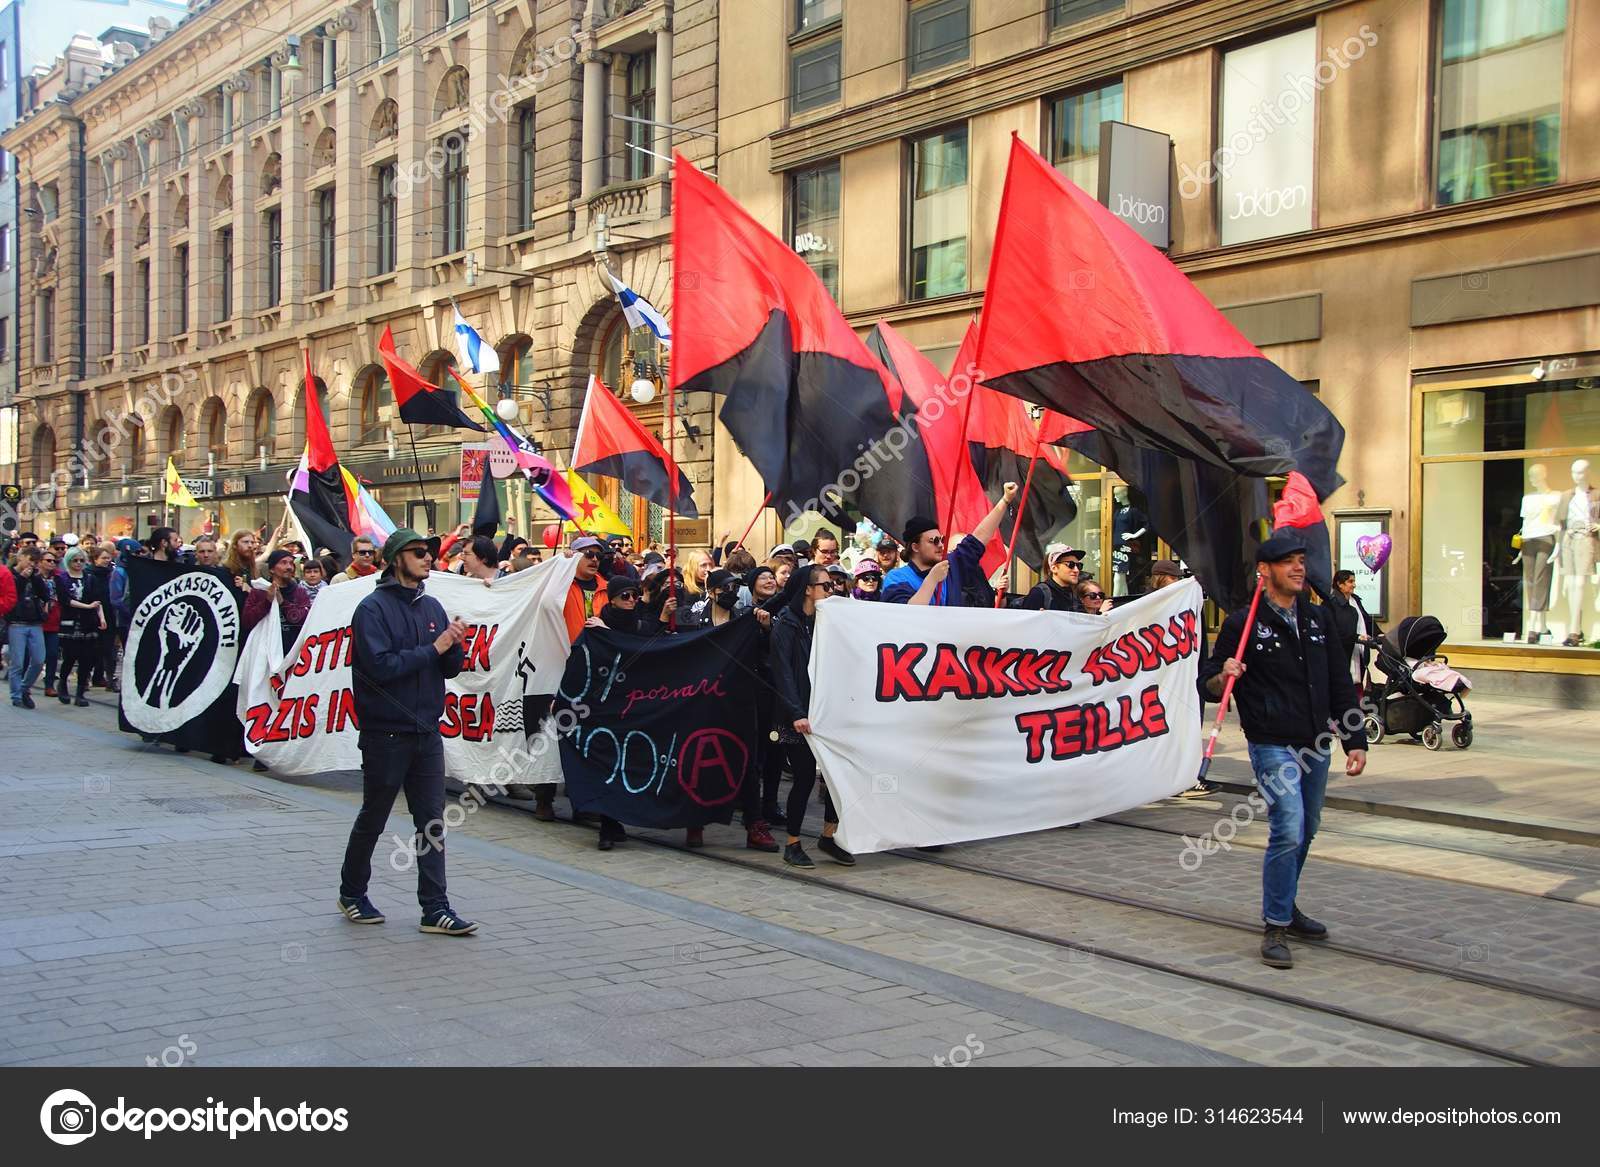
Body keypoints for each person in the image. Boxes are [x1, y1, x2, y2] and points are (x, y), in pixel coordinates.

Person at [1199, 536, 1367, 971]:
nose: (1298, 568)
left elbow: (1337, 680)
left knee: (1308, 828)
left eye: (1300, 561)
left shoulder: (1318, 618)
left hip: (1315, 741)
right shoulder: (1243, 623)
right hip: (1271, 740)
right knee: (1288, 827)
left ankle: (1288, 907)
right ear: (1265, 570)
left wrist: (1356, 739)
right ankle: (1275, 924)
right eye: (1287, 562)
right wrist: (1224, 675)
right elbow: (1209, 681)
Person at [338, 528, 477, 936]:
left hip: (426, 731)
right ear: (396, 559)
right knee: (375, 815)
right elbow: (381, 668)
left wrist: (454, 645)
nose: (428, 558)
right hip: (387, 733)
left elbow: (447, 668)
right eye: (418, 552)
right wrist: (434, 648)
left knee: (432, 821)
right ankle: (352, 892)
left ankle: (435, 908)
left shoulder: (431, 605)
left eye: (430, 553)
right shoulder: (372, 609)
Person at [771, 564, 853, 869]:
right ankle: (792, 842)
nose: (832, 591)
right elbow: (783, 674)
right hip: (796, 715)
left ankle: (828, 835)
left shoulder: (825, 621)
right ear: (808, 588)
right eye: (826, 586)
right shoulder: (786, 624)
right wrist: (796, 713)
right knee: (804, 777)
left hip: (826, 711)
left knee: (834, 775)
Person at [884, 483, 1019, 606]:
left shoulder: (951, 566)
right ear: (915, 547)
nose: (941, 545)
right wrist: (932, 580)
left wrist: (1005, 500)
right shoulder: (897, 578)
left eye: (942, 539)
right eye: (934, 541)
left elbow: (980, 536)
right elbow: (906, 616)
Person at [55, 548, 106, 706]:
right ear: (68, 561)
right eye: (74, 560)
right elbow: (66, 600)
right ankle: (62, 683)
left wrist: (101, 618)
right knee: (70, 656)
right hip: (70, 622)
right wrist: (87, 606)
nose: (78, 564)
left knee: (86, 658)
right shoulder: (62, 578)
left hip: (88, 623)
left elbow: (97, 601)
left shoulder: (89, 578)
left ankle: (80, 693)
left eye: (81, 560)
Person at [4, 548, 52, 708]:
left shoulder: (35, 576)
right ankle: (16, 695)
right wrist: (22, 579)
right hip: (16, 623)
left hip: (35, 622)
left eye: (35, 562)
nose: (32, 564)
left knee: (39, 660)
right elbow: (11, 596)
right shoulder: (9, 574)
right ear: (21, 557)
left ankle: (24, 688)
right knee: (17, 662)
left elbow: (45, 595)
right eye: (30, 560)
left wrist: (36, 578)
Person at [244, 550, 314, 647]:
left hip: (291, 652)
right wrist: (267, 601)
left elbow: (304, 622)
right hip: (264, 649)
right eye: (283, 563)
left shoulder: (299, 592)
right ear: (272, 569)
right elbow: (247, 621)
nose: (289, 567)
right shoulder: (259, 591)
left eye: (291, 563)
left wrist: (283, 603)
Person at [1327, 569, 1378, 688]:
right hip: (1342, 654)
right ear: (1340, 584)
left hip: (1358, 650)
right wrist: (1356, 637)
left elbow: (1366, 619)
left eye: (1354, 581)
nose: (1354, 585)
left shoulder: (1355, 600)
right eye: (1350, 581)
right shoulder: (1331, 604)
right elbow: (1335, 631)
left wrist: (1378, 633)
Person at [87, 545, 118, 689]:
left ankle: (100, 676)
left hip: (110, 613)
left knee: (107, 647)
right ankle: (87, 675)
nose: (107, 561)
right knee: (92, 648)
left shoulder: (111, 573)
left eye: (108, 558)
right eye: (103, 558)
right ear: (95, 560)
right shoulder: (89, 574)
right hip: (94, 613)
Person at [1021, 546, 1086, 612]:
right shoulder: (1039, 593)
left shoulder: (1074, 596)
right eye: (1070, 565)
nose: (1076, 570)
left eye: (1079, 565)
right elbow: (1027, 620)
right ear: (1054, 568)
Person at [38, 547, 62, 698]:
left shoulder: (58, 578)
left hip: (53, 621)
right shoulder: (34, 577)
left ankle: (49, 684)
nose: (52, 563)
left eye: (54, 561)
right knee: (35, 656)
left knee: (52, 654)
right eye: (48, 560)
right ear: (40, 562)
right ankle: (25, 683)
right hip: (36, 621)